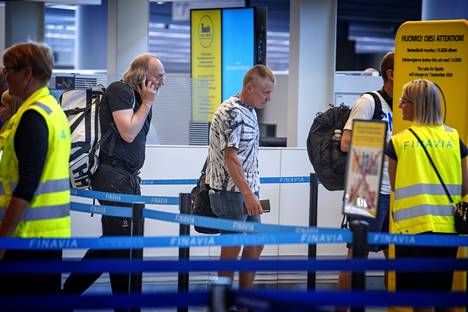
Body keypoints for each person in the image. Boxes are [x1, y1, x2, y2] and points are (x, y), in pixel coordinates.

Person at [63, 53, 165, 300]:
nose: (163, 81)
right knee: (119, 243)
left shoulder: (138, 97)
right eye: (159, 76)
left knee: (118, 242)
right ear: (143, 75)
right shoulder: (121, 90)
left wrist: (145, 101)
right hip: (112, 176)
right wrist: (148, 102)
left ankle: (67, 296)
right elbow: (128, 132)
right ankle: (73, 296)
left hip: (126, 178)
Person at [386, 79, 467, 312]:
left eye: (403, 101)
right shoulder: (454, 138)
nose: (399, 106)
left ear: (417, 105)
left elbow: (394, 185)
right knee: (444, 296)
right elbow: (465, 186)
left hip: (412, 231)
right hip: (448, 229)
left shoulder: (399, 142)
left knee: (419, 301)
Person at [0, 42, 71, 297]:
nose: (6, 76)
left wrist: (3, 239)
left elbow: (27, 185)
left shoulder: (33, 116)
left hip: (26, 236)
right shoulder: (54, 111)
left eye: (9, 69)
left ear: (27, 73)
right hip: (48, 235)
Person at [206, 64, 275, 290]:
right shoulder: (232, 112)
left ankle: (243, 301)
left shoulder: (249, 110)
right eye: (265, 93)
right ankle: (223, 304)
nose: (269, 99)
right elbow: (230, 158)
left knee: (256, 244)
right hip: (231, 193)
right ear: (249, 88)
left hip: (246, 191)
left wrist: (252, 192)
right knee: (231, 250)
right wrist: (248, 194)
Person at [336, 52, 394, 299]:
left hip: (392, 191)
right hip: (366, 188)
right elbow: (346, 143)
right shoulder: (370, 102)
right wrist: (385, 142)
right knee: (356, 257)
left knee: (394, 256)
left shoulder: (402, 106)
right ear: (391, 73)